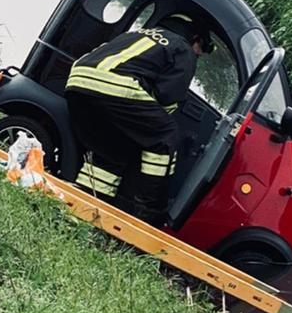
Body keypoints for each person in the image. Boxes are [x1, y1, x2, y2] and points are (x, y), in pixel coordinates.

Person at [64, 14, 212, 224]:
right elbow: (168, 96)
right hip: (114, 85)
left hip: (79, 81)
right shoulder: (183, 48)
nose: (198, 55)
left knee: (111, 149)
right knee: (165, 137)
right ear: (195, 38)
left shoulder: (139, 34)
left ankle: (85, 203)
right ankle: (146, 210)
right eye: (201, 50)